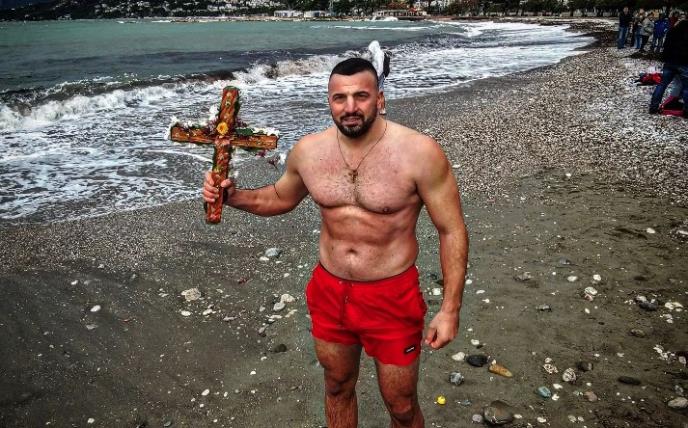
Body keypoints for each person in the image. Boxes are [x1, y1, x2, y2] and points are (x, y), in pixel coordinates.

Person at [202, 57, 469, 427]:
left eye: (361, 96)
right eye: (339, 98)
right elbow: (279, 198)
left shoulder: (420, 153)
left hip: (391, 296)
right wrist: (233, 197)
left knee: (401, 405)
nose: (350, 107)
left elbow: (451, 230)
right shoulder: (309, 151)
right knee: (337, 386)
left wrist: (450, 309)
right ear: (329, 102)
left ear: (380, 99)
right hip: (330, 292)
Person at [649, 19, 688, 116]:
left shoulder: (672, 32)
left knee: (662, 84)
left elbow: (666, 46)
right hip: (684, 64)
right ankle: (686, 111)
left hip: (670, 62)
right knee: (686, 88)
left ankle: (653, 107)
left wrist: (665, 58)